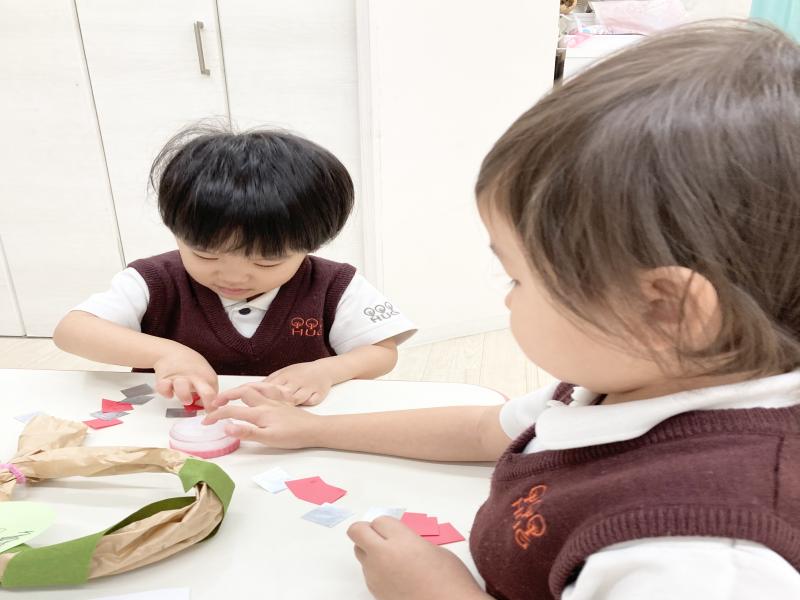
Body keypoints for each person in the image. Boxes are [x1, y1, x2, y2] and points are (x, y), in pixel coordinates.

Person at [203, 22, 800, 599]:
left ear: (665, 310)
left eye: (517, 276)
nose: (506, 297)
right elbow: (483, 430)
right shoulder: (623, 384)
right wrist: (316, 430)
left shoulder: (706, 558)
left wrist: (436, 594)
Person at [54, 128, 415, 407]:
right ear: (177, 232)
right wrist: (168, 354)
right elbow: (72, 330)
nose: (233, 276)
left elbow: (382, 352)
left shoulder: (333, 284)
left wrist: (329, 370)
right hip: (176, 431)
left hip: (295, 431)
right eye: (206, 256)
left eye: (266, 261)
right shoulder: (156, 280)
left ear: (311, 245)